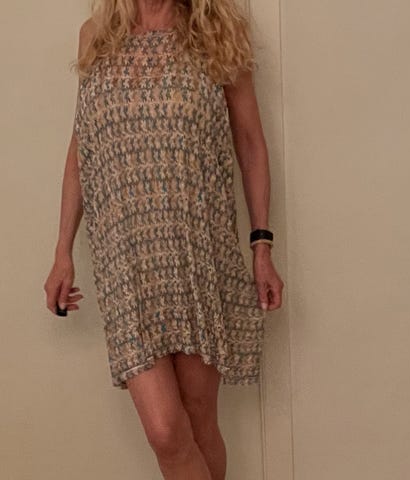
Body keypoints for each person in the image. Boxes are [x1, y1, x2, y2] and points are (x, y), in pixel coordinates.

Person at [43, 0, 283, 478]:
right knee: (166, 432)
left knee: (198, 420)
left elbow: (251, 142)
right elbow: (81, 146)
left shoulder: (217, 32)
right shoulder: (97, 36)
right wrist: (62, 250)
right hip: (125, 260)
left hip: (197, 254)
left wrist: (262, 245)